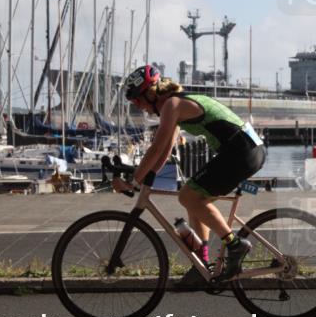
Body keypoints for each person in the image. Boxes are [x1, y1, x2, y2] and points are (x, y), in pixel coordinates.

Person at [114, 65, 266, 285]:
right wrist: (148, 177)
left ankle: (235, 245)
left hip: (241, 151)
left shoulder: (171, 105)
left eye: (138, 100)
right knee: (194, 200)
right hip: (245, 149)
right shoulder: (174, 104)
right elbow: (165, 150)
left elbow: (155, 148)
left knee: (187, 196)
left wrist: (133, 181)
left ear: (151, 92)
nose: (139, 107)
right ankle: (201, 265)